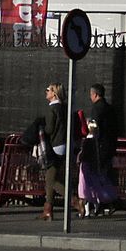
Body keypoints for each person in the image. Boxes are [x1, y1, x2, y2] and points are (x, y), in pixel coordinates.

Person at [35, 82, 78, 220]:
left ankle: (75, 201)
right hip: (67, 145)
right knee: (51, 178)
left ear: (54, 93)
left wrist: (41, 127)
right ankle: (48, 210)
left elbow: (49, 129)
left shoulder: (52, 109)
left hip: (55, 147)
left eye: (48, 90)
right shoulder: (65, 108)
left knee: (51, 180)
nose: (46, 92)